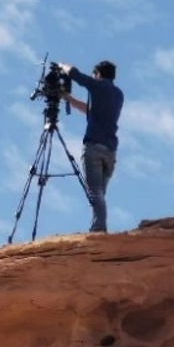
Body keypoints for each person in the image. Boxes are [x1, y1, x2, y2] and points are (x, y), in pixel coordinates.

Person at [58, 60, 124, 232]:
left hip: (94, 147)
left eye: (94, 75)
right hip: (110, 151)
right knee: (100, 194)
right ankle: (98, 226)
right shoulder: (118, 95)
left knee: (95, 193)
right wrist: (68, 98)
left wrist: (61, 66)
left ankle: (98, 230)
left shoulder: (97, 85)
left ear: (98, 74)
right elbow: (91, 110)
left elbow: (76, 75)